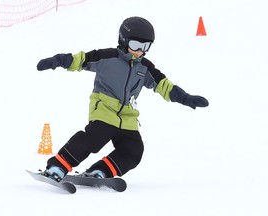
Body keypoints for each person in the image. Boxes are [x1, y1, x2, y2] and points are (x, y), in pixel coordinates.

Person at [36, 16, 209, 181]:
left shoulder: (145, 68)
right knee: (92, 140)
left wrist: (186, 98)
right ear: (124, 40)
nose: (141, 51)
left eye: (146, 46)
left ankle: (100, 171)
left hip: (127, 117)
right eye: (136, 45)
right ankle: (57, 167)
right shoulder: (107, 57)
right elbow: (80, 60)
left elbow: (164, 85)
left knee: (133, 150)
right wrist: (58, 60)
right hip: (104, 110)